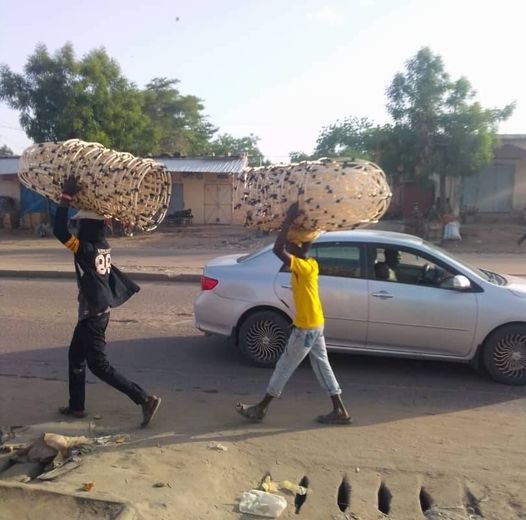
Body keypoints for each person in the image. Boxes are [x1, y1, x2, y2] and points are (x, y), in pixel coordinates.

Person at [53, 175, 161, 427]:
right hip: (95, 311)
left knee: (99, 366)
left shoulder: (85, 248)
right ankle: (76, 406)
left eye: (78, 225)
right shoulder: (102, 245)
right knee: (75, 357)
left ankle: (144, 399)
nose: (75, 228)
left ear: (85, 228)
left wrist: (65, 197)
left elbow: (59, 230)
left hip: (93, 313)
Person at [235, 202, 351, 425]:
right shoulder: (311, 264)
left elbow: (278, 250)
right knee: (322, 366)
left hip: (307, 327)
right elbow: (285, 249)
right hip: (315, 324)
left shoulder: (303, 267)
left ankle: (261, 408)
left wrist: (288, 220)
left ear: (297, 249)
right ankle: (340, 410)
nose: (289, 248)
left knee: (284, 366)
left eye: (293, 246)